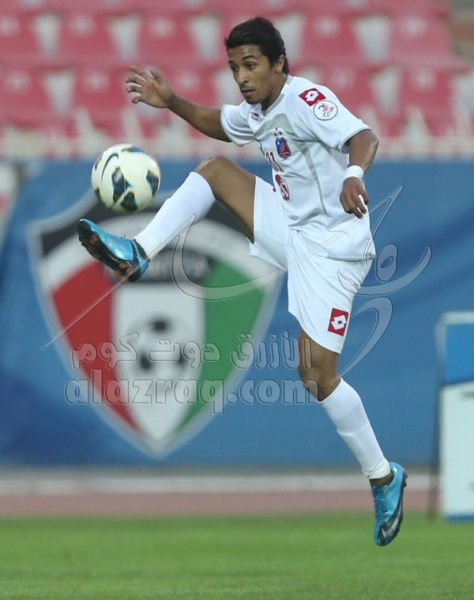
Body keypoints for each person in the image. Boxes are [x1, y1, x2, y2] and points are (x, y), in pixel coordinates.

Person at [78, 17, 406, 546]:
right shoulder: (257, 111)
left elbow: (363, 136)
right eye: (234, 68)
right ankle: (139, 251)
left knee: (316, 376)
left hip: (333, 247)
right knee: (215, 170)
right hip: (291, 227)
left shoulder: (306, 99)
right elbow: (220, 122)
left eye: (251, 65)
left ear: (280, 64)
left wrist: (353, 175)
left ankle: (384, 477)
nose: (242, 77)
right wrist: (172, 100)